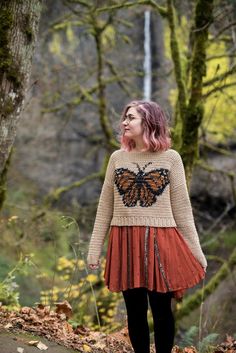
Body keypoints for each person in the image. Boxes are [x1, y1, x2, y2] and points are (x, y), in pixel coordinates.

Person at [87, 100, 207, 353]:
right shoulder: (117, 158)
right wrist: (94, 249)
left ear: (149, 123)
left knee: (162, 310)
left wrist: (196, 252)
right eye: (125, 117)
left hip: (160, 243)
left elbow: (183, 210)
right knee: (134, 311)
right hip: (124, 240)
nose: (124, 122)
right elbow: (105, 207)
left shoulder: (171, 159)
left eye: (131, 118)